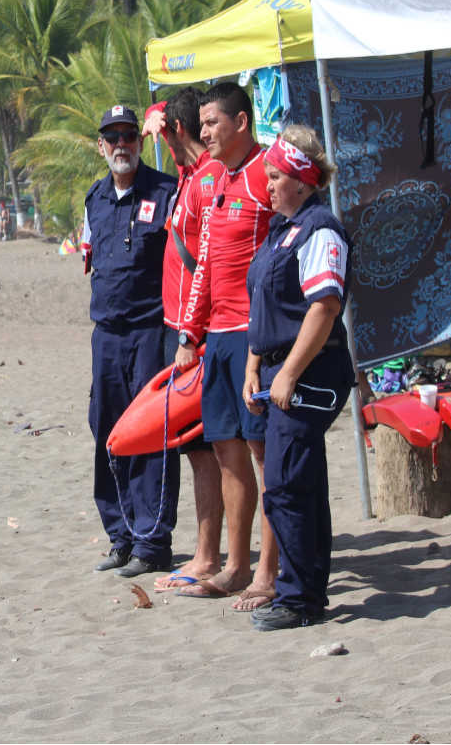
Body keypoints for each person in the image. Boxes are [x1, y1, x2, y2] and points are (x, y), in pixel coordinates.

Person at [242, 126, 354, 631]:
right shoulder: (278, 230)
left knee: (287, 481)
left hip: (311, 368)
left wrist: (287, 372)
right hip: (276, 367)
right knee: (297, 480)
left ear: (304, 181)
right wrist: (253, 366)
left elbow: (324, 308)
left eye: (276, 175)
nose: (267, 184)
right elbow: (263, 306)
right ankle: (302, 589)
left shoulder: (320, 229)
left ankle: (299, 597)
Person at [173, 82, 279, 611]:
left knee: (265, 455)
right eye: (203, 123)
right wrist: (189, 334)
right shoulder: (217, 181)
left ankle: (267, 572)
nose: (204, 131)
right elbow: (206, 266)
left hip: (258, 339)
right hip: (219, 337)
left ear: (242, 123)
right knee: (227, 452)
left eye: (212, 122)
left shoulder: (268, 175)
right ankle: (236, 565)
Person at [84, 104, 180, 578]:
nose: (121, 144)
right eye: (112, 137)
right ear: (100, 145)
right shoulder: (94, 199)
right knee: (106, 433)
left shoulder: (165, 192)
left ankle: (152, 542)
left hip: (150, 335)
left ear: (139, 143)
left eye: (128, 135)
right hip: (106, 337)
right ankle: (120, 537)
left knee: (150, 436)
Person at [141, 91, 226, 593]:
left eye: (164, 133)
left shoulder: (209, 178)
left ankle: (209, 555)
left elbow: (210, 262)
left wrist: (190, 335)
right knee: (198, 449)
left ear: (176, 130)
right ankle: (207, 551)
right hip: (182, 327)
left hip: (200, 332)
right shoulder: (190, 177)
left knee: (208, 450)